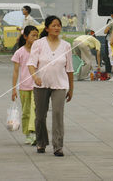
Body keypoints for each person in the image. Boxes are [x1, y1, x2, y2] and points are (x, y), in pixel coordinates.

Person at [27, 16, 74, 156]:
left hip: (60, 85)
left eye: (59, 25)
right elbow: (31, 64)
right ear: (47, 28)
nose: (57, 28)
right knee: (40, 116)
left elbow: (69, 69)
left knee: (58, 113)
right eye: (53, 25)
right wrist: (35, 77)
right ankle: (41, 142)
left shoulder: (66, 45)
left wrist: (71, 88)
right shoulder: (38, 44)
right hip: (41, 85)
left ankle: (58, 146)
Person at [11, 25, 39, 145]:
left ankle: (33, 133)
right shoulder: (19, 52)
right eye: (33, 35)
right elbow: (16, 72)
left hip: (37, 86)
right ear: (25, 36)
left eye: (37, 35)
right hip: (23, 87)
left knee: (34, 109)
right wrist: (13, 89)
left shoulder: (38, 51)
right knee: (26, 112)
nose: (36, 38)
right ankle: (28, 134)